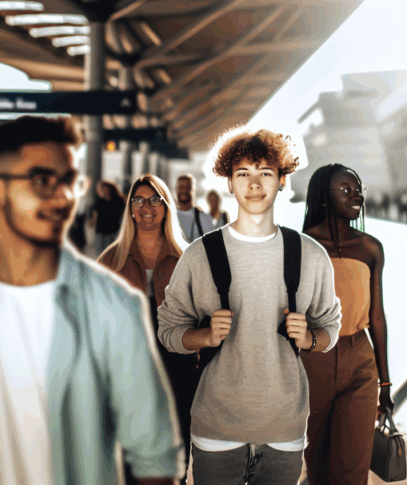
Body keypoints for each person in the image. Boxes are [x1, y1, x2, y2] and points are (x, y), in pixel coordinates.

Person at [0, 116, 183, 485]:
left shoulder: (115, 306)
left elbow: (153, 454)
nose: (63, 197)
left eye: (70, 182)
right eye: (43, 181)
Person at [158, 127, 342, 485]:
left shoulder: (310, 255)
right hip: (216, 428)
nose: (254, 184)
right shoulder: (200, 255)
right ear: (229, 182)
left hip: (285, 428)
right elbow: (168, 331)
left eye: (265, 174)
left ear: (282, 182)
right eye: (243, 174)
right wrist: (204, 336)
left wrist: (310, 339)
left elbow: (330, 329)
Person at [97, 173, 197, 485]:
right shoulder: (111, 259)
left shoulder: (189, 259)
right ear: (129, 209)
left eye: (155, 199)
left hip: (179, 371)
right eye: (138, 200)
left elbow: (206, 318)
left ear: (167, 207)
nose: (147, 206)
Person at [300, 164, 393, 485]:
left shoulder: (370, 248)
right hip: (312, 359)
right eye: (346, 189)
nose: (356, 196)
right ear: (324, 198)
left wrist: (385, 383)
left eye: (358, 189)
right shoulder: (299, 247)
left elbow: (377, 317)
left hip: (359, 360)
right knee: (317, 465)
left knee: (353, 468)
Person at [89, 179, 127, 255]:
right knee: (100, 254)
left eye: (104, 188)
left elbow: (124, 215)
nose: (102, 190)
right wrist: (92, 222)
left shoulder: (119, 200)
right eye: (101, 189)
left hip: (115, 231)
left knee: (113, 254)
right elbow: (95, 215)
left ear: (110, 188)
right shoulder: (99, 201)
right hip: (100, 231)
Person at [175, 174, 215, 242]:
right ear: (176, 189)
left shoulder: (205, 218)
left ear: (193, 190)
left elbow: (211, 246)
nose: (184, 191)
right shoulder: (168, 216)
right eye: (181, 187)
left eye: (188, 188)